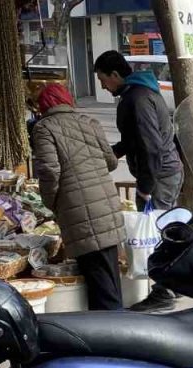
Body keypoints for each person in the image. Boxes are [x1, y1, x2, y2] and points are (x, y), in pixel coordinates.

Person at [93, 50, 184, 312]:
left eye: (103, 79)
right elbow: (135, 140)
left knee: (155, 232)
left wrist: (145, 187)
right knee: (161, 229)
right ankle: (171, 285)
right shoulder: (139, 93)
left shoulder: (137, 98)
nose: (102, 85)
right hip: (162, 171)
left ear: (115, 74)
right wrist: (113, 153)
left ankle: (164, 292)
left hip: (160, 174)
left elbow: (150, 147)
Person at [31, 84, 125, 311]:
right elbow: (111, 161)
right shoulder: (89, 122)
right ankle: (117, 329)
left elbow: (50, 171)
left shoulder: (44, 128)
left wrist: (50, 201)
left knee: (100, 284)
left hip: (78, 209)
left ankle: (112, 337)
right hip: (106, 204)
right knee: (109, 277)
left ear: (44, 106)